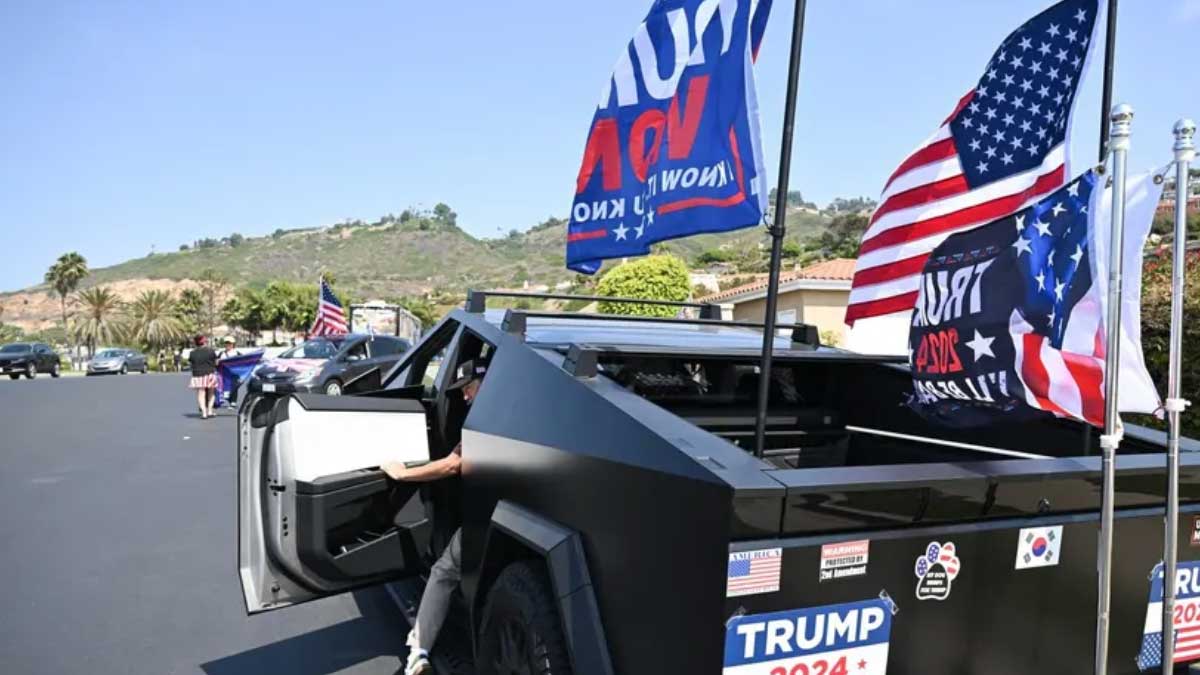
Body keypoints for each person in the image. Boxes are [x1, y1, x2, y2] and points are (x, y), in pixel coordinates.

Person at [382, 358, 487, 675]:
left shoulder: (486, 418)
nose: (465, 397)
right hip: (516, 510)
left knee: (443, 571)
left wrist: (402, 474)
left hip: (487, 516)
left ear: (484, 381)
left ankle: (419, 650)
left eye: (468, 388)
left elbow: (451, 464)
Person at [188, 335, 219, 418]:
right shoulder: (211, 351)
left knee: (201, 393)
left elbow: (191, 364)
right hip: (210, 373)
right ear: (204, 342)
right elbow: (216, 363)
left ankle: (204, 413)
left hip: (197, 374)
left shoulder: (192, 353)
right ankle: (210, 410)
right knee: (211, 393)